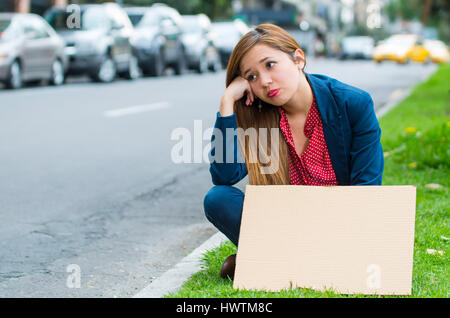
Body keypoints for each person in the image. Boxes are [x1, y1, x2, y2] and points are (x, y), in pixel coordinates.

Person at [203, 24, 384, 280]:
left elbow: (367, 189)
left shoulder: (353, 104)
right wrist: (227, 105)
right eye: (251, 76)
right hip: (285, 227)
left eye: (270, 65)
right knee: (218, 198)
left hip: (341, 224)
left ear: (298, 59)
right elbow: (225, 175)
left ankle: (273, 262)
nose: (264, 82)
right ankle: (298, 262)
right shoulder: (259, 114)